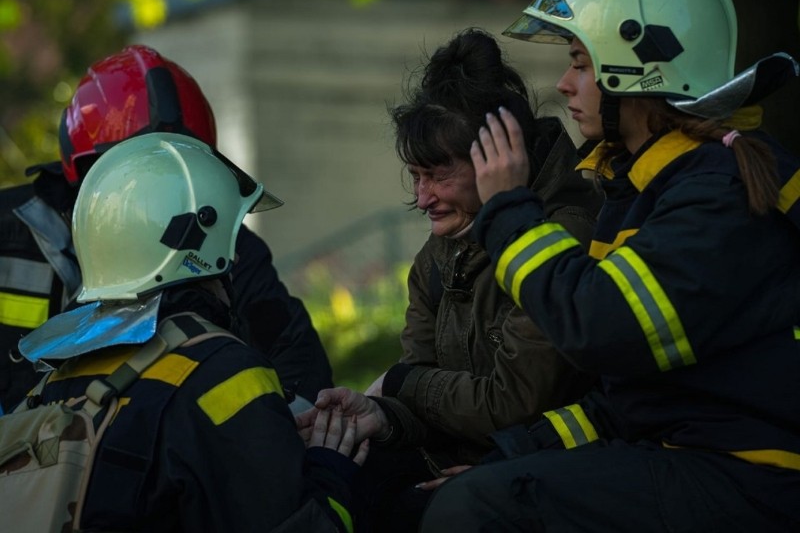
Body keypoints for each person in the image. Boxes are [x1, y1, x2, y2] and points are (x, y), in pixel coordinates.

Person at [420, 0, 800, 531]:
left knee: (474, 511)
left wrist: (508, 211)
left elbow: (599, 329)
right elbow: (626, 399)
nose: (565, 85)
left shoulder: (713, 194)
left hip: (747, 478)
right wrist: (508, 456)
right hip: (686, 460)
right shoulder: (650, 190)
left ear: (638, 70)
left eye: (580, 61)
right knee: (447, 493)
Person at [297, 28, 603, 531]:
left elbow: (512, 403)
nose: (422, 198)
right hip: (478, 460)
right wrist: (383, 416)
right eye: (415, 176)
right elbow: (425, 391)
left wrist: (398, 383)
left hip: (553, 465)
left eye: (438, 176)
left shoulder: (563, 237)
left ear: (497, 160)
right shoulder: (436, 257)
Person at [12, 132, 366, 531]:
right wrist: (331, 473)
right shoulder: (226, 371)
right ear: (199, 242)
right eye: (231, 239)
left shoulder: (56, 378)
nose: (234, 257)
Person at [0, 44, 332, 414]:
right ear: (85, 169)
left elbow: (298, 365)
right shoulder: (7, 233)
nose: (155, 188)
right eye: (132, 167)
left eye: (180, 164)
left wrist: (275, 432)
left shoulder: (223, 242)